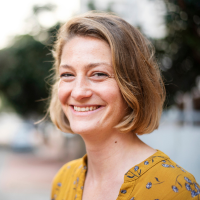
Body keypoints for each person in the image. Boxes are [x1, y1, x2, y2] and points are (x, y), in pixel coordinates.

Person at [49, 11, 199, 200]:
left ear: (134, 85)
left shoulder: (174, 190)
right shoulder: (63, 180)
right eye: (67, 75)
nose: (78, 92)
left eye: (99, 74)